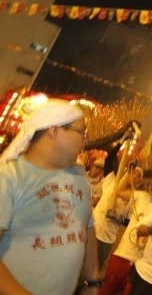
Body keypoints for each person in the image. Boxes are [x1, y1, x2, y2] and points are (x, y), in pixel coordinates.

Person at [0, 99, 101, 294]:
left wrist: (92, 281)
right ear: (53, 130)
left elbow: (87, 227)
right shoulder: (10, 177)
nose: (85, 140)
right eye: (81, 132)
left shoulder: (79, 177)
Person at [98, 171, 152, 295]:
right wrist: (128, 173)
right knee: (106, 291)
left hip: (142, 267)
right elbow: (118, 191)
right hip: (123, 256)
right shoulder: (142, 197)